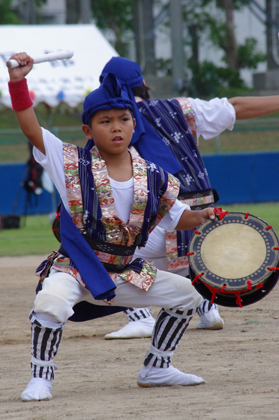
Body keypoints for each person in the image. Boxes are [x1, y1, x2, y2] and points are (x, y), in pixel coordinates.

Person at [8, 52, 216, 401]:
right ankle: (40, 378)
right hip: (76, 268)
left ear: (135, 125)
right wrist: (18, 82)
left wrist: (204, 216)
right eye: (105, 121)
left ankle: (157, 367)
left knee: (188, 294)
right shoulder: (70, 162)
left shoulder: (154, 176)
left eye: (123, 118)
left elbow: (178, 217)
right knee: (50, 302)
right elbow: (30, 127)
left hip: (124, 272)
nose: (116, 126)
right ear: (88, 129)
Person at [97, 56, 279, 340]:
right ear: (144, 84)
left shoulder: (110, 123)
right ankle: (208, 311)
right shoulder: (178, 108)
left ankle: (141, 317)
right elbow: (236, 107)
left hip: (166, 229)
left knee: (103, 252)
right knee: (174, 257)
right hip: (204, 234)